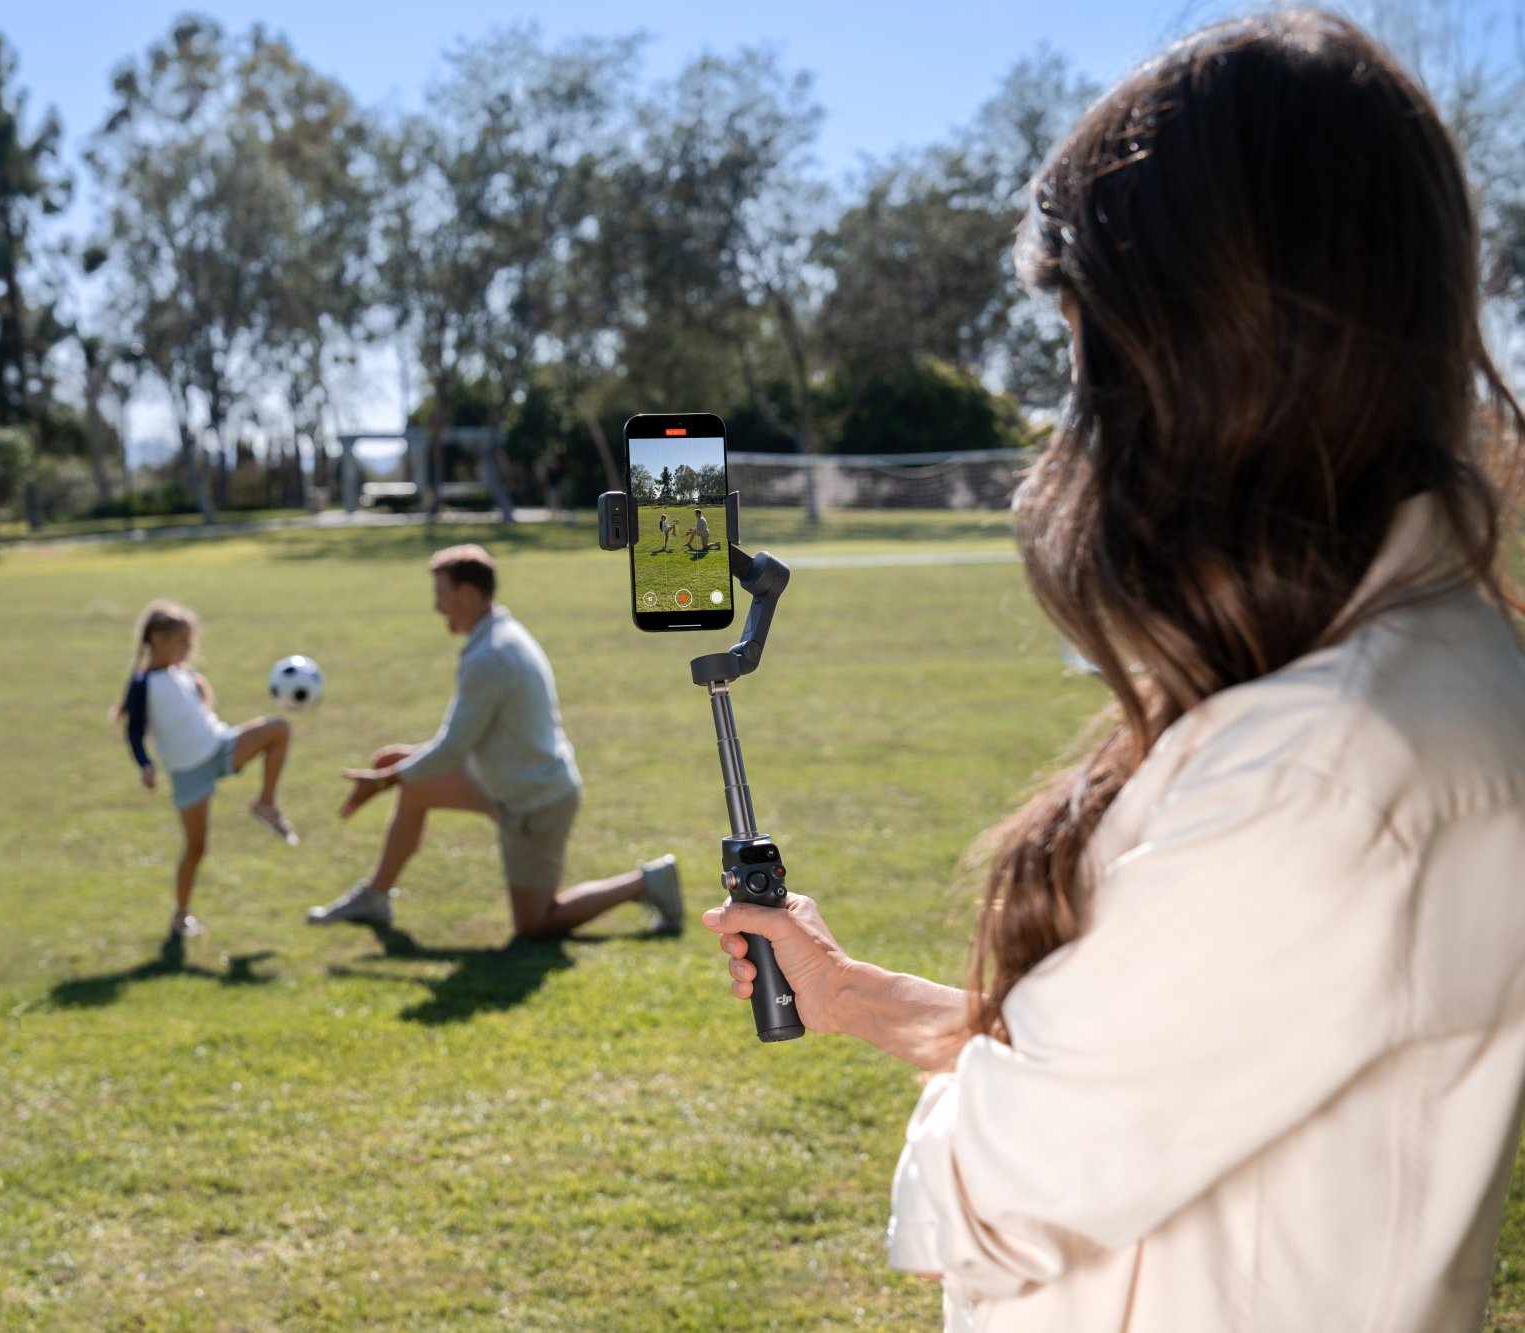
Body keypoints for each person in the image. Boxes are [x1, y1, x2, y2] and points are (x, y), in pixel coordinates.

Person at [703, 13, 1525, 1331]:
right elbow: (1180, 1063)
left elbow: (1002, 1180)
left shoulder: (1326, 759)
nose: (1071, 400)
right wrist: (856, 998)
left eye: (1083, 329)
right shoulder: (1410, 668)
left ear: (1190, 343)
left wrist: (970, 1099)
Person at [309, 544, 682, 937]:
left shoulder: (491, 656)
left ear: (467, 594)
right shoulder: (500, 633)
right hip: (500, 780)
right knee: (414, 783)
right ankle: (375, 897)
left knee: (536, 925)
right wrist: (404, 768)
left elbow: (453, 747)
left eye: (441, 596)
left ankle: (647, 881)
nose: (437, 607)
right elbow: (465, 742)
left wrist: (386, 780)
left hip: (534, 801)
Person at [115, 599, 299, 938]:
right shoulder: (142, 685)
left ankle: (266, 803)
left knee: (279, 730)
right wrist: (145, 765)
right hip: (188, 772)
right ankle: (180, 915)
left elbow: (197, 713)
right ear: (156, 638)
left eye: (189, 641)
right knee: (197, 847)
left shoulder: (182, 674)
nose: (188, 649)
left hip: (220, 747)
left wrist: (201, 690)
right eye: (181, 641)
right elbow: (134, 730)